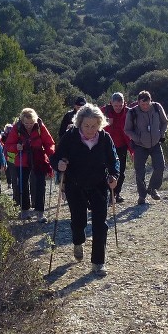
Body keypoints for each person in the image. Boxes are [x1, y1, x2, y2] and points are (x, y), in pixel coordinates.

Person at [52, 104, 119, 275]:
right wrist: (59, 164)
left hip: (99, 185)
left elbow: (114, 160)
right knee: (78, 221)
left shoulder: (105, 138)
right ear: (79, 123)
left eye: (94, 126)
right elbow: (56, 157)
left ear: (100, 124)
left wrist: (114, 175)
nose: (90, 130)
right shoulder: (71, 136)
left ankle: (98, 262)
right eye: (86, 126)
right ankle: (78, 241)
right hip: (75, 185)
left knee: (100, 224)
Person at [4, 107, 55, 221]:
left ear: (35, 120)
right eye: (26, 123)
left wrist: (51, 155)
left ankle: (40, 212)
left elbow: (49, 142)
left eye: (31, 123)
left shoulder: (40, 126)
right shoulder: (17, 127)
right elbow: (8, 145)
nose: (29, 125)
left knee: (40, 185)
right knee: (22, 185)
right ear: (22, 120)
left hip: (38, 158)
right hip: (22, 159)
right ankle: (25, 210)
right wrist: (16, 147)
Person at [123, 90, 168, 204]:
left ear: (150, 101)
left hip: (155, 143)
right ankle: (142, 196)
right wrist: (137, 138)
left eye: (147, 104)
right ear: (138, 102)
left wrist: (161, 134)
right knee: (140, 171)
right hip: (139, 146)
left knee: (160, 167)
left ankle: (153, 189)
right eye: (142, 104)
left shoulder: (157, 107)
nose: (145, 106)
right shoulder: (132, 112)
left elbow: (165, 122)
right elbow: (127, 130)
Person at [101, 92, 130, 203]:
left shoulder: (128, 112)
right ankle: (108, 194)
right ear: (111, 103)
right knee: (106, 170)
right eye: (116, 105)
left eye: (120, 105)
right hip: (106, 146)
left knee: (120, 171)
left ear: (124, 103)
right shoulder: (103, 111)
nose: (118, 108)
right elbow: (95, 124)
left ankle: (116, 193)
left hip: (122, 146)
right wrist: (107, 123)